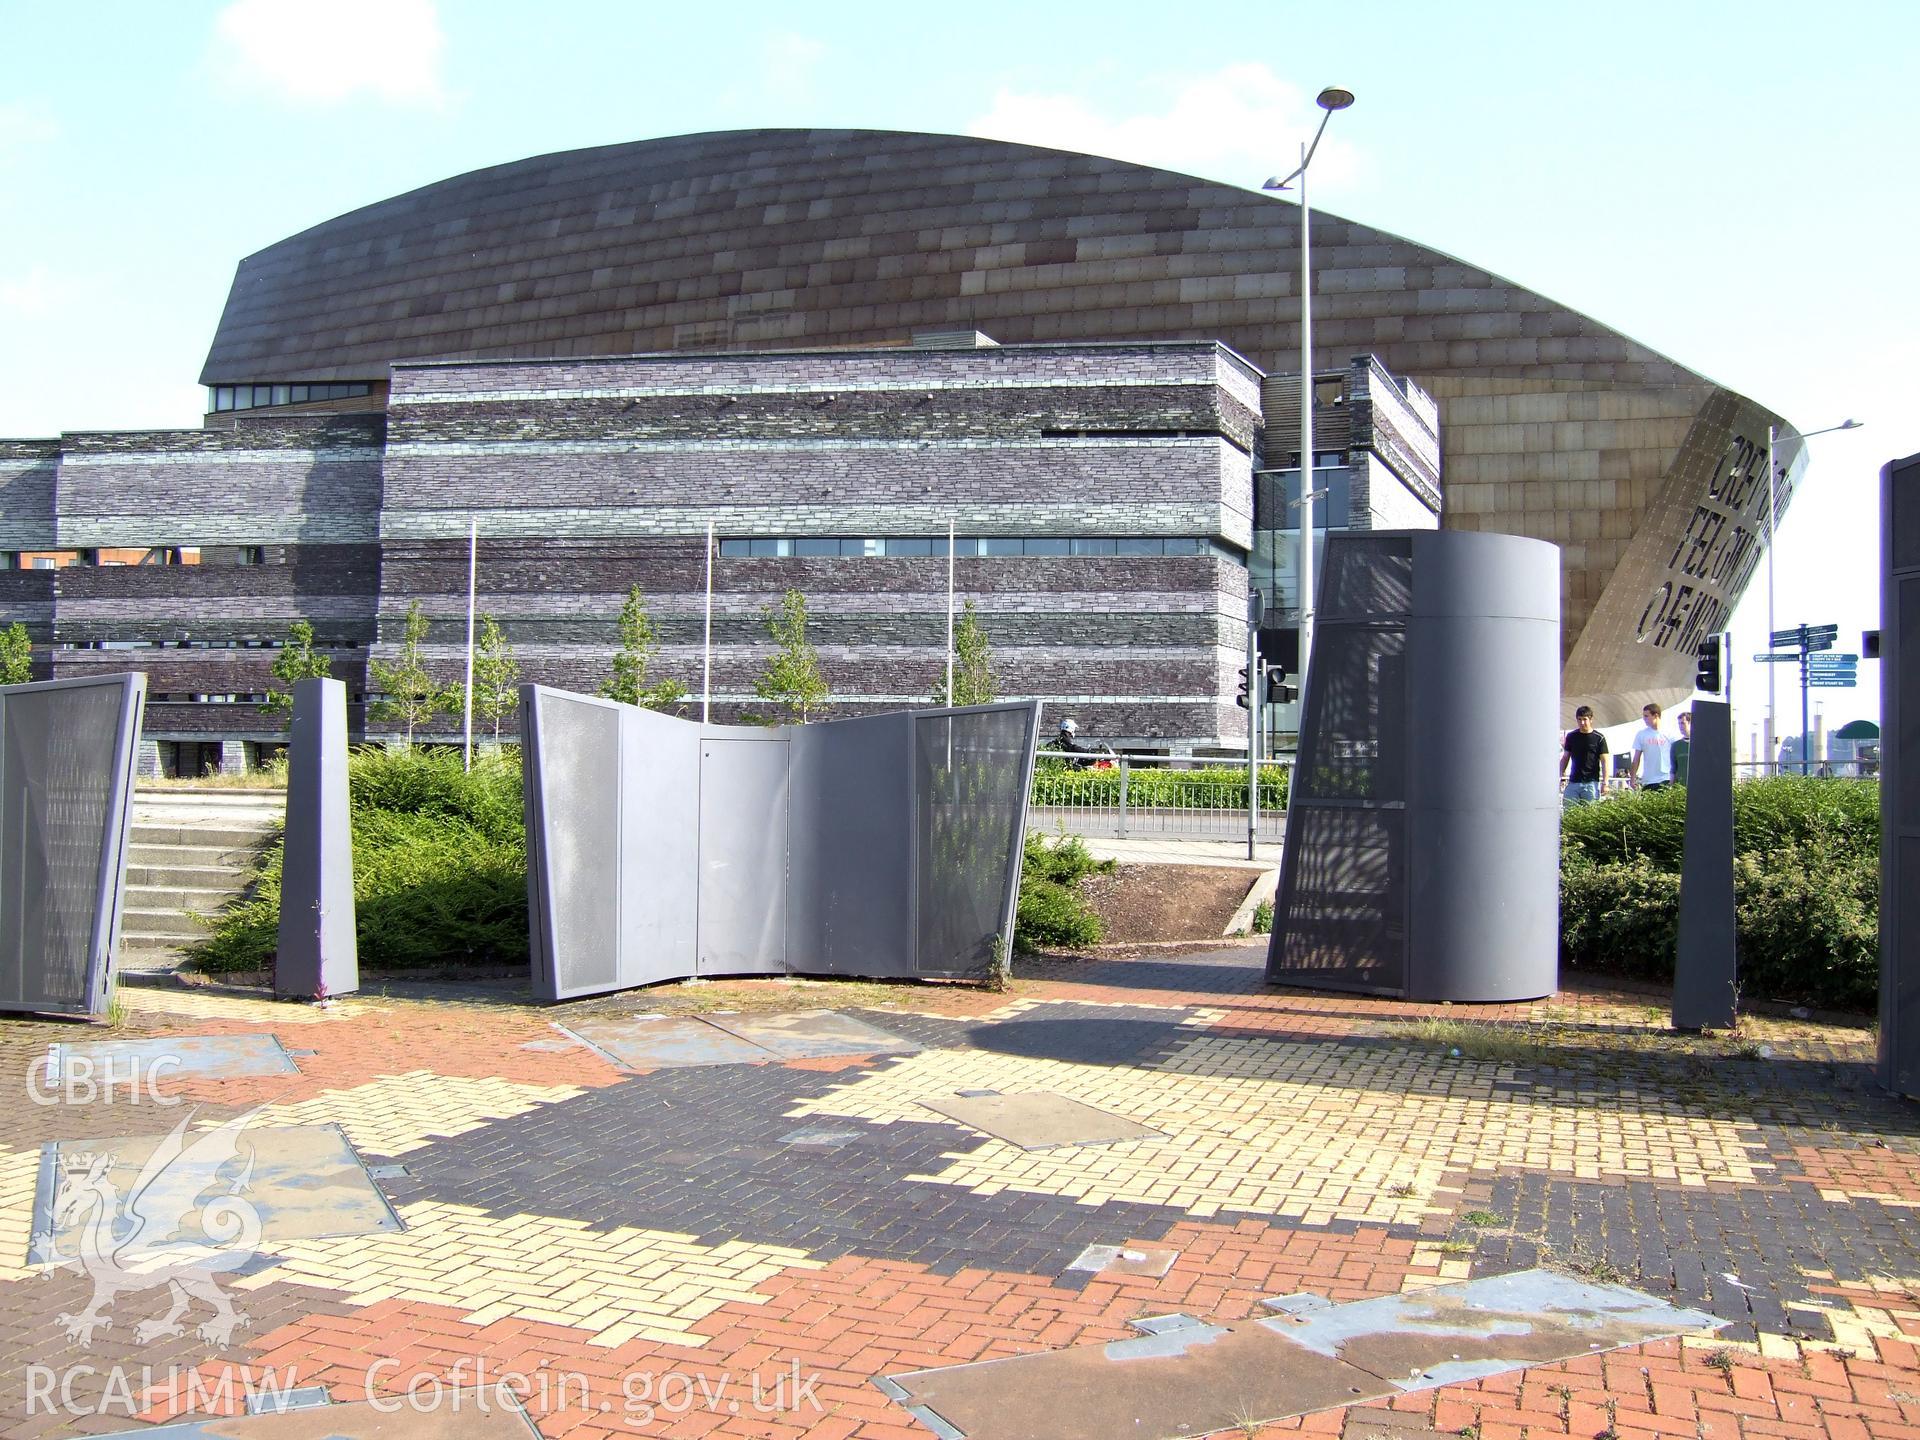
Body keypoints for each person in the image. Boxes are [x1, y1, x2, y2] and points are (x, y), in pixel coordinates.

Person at [1559, 705, 1608, 807]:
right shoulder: (1571, 736)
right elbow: (1565, 757)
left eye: (1585, 719)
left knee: (1590, 815)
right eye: (1579, 719)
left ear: (1591, 719)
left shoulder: (1599, 738)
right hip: (1573, 782)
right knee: (1570, 813)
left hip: (1591, 783)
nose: (1582, 723)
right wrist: (1558, 776)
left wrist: (1605, 783)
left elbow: (1605, 761)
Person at [1629, 702, 1675, 791]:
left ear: (1655, 715)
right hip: (1648, 780)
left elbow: (1676, 755)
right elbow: (1636, 758)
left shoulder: (1670, 733)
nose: (1644, 719)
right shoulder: (1641, 734)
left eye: (1646, 716)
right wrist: (1632, 778)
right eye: (1643, 716)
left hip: (1666, 778)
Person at [1671, 711, 1692, 786]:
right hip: (1680, 789)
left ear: (1690, 724)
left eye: (1683, 723)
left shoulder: (1700, 744)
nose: (1680, 726)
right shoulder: (1675, 745)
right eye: (1679, 723)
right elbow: (1673, 769)